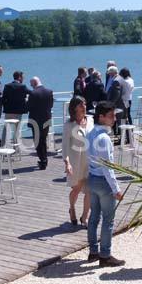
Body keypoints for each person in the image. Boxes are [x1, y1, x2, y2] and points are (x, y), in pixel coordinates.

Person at [86, 101, 125, 267]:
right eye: (111, 116)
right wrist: (116, 189)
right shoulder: (104, 138)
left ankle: (93, 251)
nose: (114, 119)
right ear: (101, 117)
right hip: (103, 181)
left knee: (94, 216)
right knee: (108, 220)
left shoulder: (90, 133)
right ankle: (105, 254)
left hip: (92, 178)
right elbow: (108, 167)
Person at [63, 96, 93, 227]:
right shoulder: (69, 125)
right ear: (74, 108)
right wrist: (67, 163)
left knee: (90, 190)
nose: (84, 107)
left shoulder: (91, 120)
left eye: (85, 104)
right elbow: (64, 146)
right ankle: (72, 209)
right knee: (76, 189)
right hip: (76, 161)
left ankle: (85, 217)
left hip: (90, 161)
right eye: (81, 105)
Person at [27, 76, 54, 170]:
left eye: (31, 84)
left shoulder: (33, 93)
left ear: (34, 83)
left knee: (37, 141)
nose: (31, 86)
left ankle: (42, 160)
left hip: (36, 120)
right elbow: (51, 105)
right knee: (43, 139)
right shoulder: (49, 91)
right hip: (46, 119)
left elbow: (28, 107)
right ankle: (44, 159)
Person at [2, 70, 29, 145]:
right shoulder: (22, 86)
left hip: (8, 111)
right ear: (19, 77)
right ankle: (15, 146)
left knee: (6, 129)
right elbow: (31, 93)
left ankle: (3, 144)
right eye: (23, 77)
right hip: (18, 112)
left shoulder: (7, 86)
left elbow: (3, 99)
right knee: (17, 130)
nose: (23, 79)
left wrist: (6, 107)